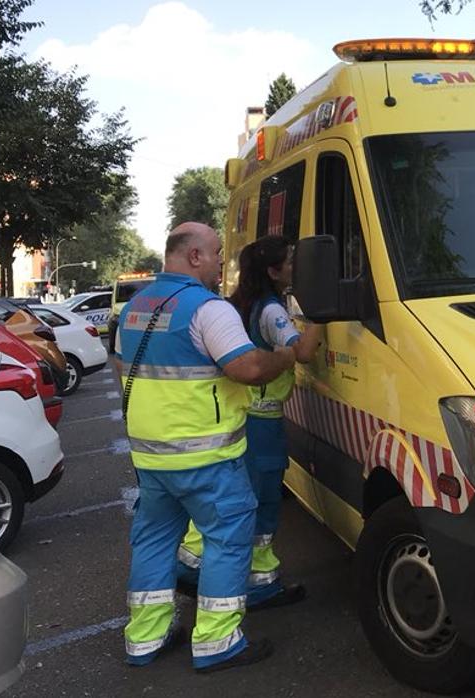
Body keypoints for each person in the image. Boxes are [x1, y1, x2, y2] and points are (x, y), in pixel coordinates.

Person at [116, 223, 296, 673]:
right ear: (194, 256)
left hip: (151, 457)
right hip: (206, 457)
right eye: (217, 253)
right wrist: (284, 357)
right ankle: (217, 640)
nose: (222, 263)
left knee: (154, 541)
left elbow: (126, 367)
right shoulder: (208, 309)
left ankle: (146, 637)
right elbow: (248, 367)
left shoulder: (135, 307)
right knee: (227, 540)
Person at [176, 236, 323, 609]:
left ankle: (196, 565)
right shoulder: (271, 310)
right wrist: (323, 313)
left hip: (243, 416)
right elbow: (302, 353)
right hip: (263, 420)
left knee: (238, 498)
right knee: (264, 500)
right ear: (273, 271)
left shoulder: (240, 304)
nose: (295, 268)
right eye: (290, 262)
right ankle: (256, 583)